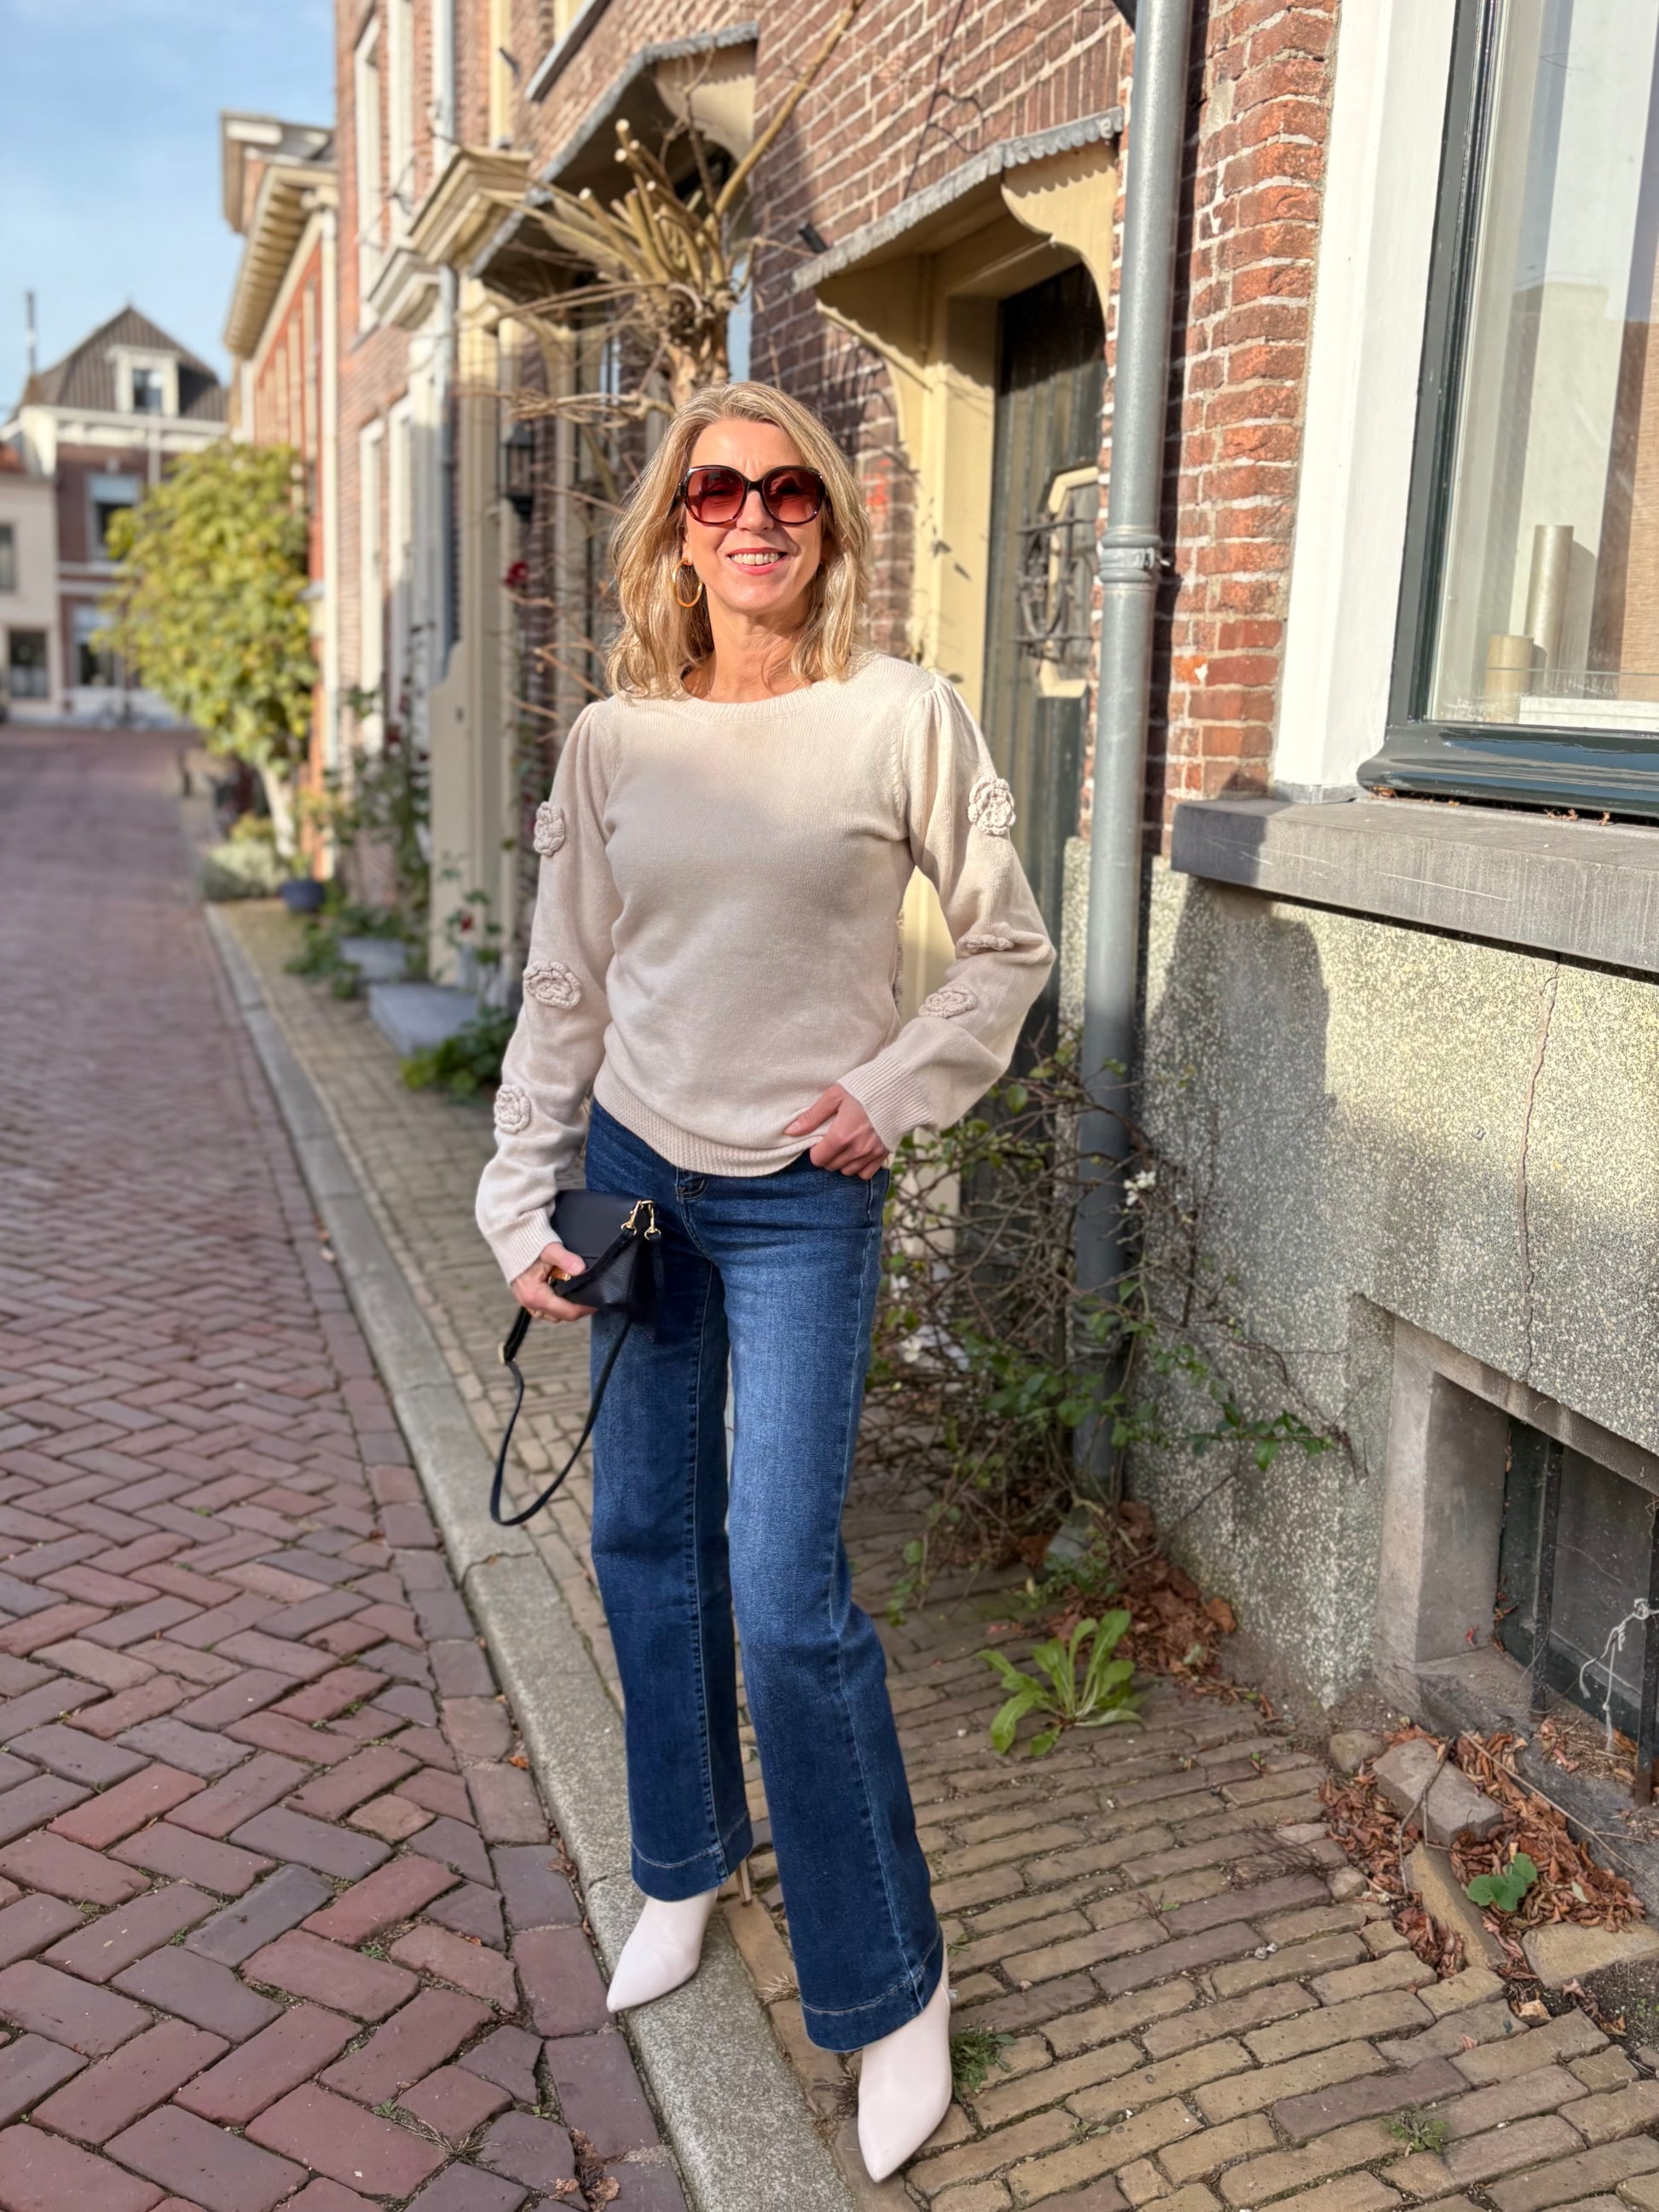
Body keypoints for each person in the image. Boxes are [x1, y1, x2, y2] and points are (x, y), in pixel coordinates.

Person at [475, 380, 1055, 2180]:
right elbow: (565, 985)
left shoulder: (900, 716)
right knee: (641, 1538)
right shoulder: (615, 741)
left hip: (806, 1196)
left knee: (787, 1595)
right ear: (674, 525)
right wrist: (519, 1194)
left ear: (829, 519)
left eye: (788, 488)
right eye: (717, 489)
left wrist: (894, 1089)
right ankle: (681, 1864)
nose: (753, 517)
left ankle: (889, 1984)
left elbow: (1007, 950)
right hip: (636, 1183)